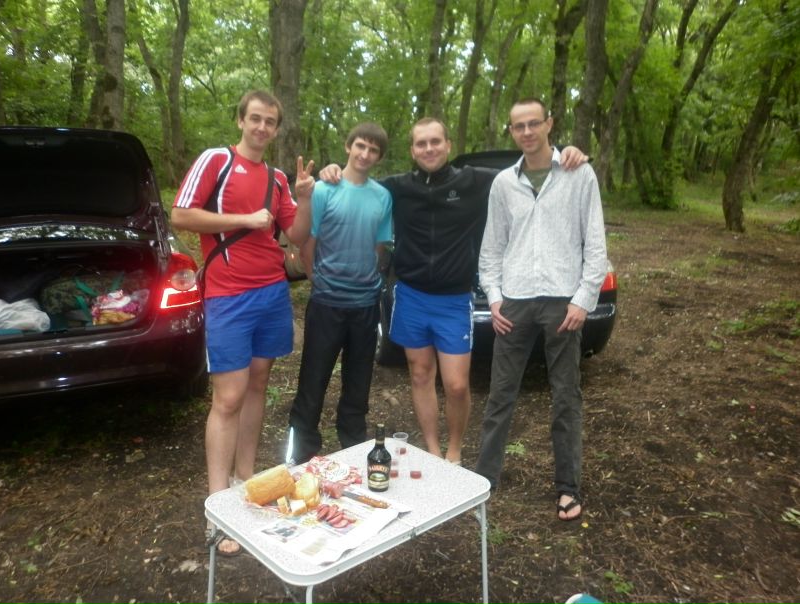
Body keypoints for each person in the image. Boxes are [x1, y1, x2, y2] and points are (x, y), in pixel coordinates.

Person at [320, 118, 587, 465]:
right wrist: (332, 171)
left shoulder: (474, 181)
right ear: (412, 150)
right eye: (421, 143)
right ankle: (433, 452)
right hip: (411, 295)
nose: (428, 149)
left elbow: (526, 166)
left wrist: (564, 154)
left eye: (435, 142)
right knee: (420, 374)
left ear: (448, 145)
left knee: (457, 385)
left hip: (454, 299)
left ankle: (455, 451)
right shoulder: (398, 187)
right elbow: (358, 182)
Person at [171, 89, 315, 555]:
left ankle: (246, 479)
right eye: (255, 118)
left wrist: (305, 198)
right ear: (240, 121)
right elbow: (181, 215)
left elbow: (296, 234)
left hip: (271, 292)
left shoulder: (277, 178)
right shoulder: (217, 160)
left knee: (257, 384)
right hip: (228, 295)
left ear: (276, 128)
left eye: (270, 121)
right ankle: (218, 509)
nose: (261, 127)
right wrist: (246, 220)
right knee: (228, 397)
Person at [474, 98, 608, 521]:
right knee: (500, 394)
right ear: (511, 131)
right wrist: (494, 296)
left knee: (566, 396)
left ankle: (568, 488)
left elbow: (595, 242)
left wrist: (584, 300)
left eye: (534, 123)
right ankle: (484, 481)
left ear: (549, 124)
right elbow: (492, 247)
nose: (527, 131)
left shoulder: (578, 173)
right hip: (514, 301)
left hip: (562, 302)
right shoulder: (503, 184)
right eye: (519, 126)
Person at [285, 123, 393, 464]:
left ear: (378, 157)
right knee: (312, 382)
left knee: (358, 386)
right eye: (360, 145)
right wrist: (317, 279)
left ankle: (353, 451)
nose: (365, 154)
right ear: (348, 146)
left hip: (365, 305)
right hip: (327, 303)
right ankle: (302, 457)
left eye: (373, 150)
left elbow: (379, 245)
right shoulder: (323, 189)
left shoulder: (382, 196)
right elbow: (308, 243)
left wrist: (368, 277)